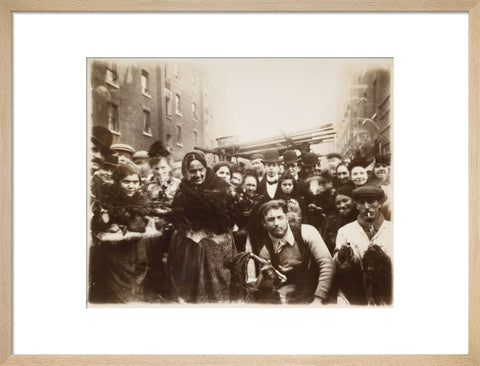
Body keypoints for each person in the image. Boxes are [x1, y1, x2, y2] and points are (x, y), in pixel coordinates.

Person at [167, 151, 237, 303]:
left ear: (206, 169)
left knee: (216, 285)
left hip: (216, 244)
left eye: (201, 170)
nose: (197, 174)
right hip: (190, 247)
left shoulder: (220, 185)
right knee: (190, 286)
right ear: (186, 172)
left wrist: (207, 230)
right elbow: (177, 213)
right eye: (192, 171)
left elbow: (229, 216)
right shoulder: (183, 189)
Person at [89, 163, 156, 303]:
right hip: (113, 254)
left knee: (136, 284)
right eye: (126, 182)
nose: (131, 186)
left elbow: (140, 223)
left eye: (135, 182)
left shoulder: (141, 199)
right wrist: (107, 223)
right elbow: (97, 225)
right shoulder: (107, 199)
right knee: (118, 291)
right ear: (117, 181)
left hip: (137, 249)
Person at [255, 200, 335, 304]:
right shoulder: (266, 251)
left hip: (319, 291)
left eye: (280, 217)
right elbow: (264, 287)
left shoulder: (307, 232)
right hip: (292, 297)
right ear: (264, 223)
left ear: (286, 218)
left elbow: (327, 265)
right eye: (271, 219)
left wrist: (318, 300)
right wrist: (266, 277)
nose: (276, 223)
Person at [334, 185, 393, 305]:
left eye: (371, 202)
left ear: (380, 204)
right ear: (356, 206)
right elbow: (336, 263)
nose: (366, 207)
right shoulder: (345, 231)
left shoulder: (392, 229)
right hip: (354, 293)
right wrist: (342, 256)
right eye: (362, 203)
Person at [324, 185, 358, 255]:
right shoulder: (333, 220)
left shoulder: (361, 217)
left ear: (354, 200)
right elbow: (329, 246)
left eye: (345, 201)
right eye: (338, 203)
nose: (342, 205)